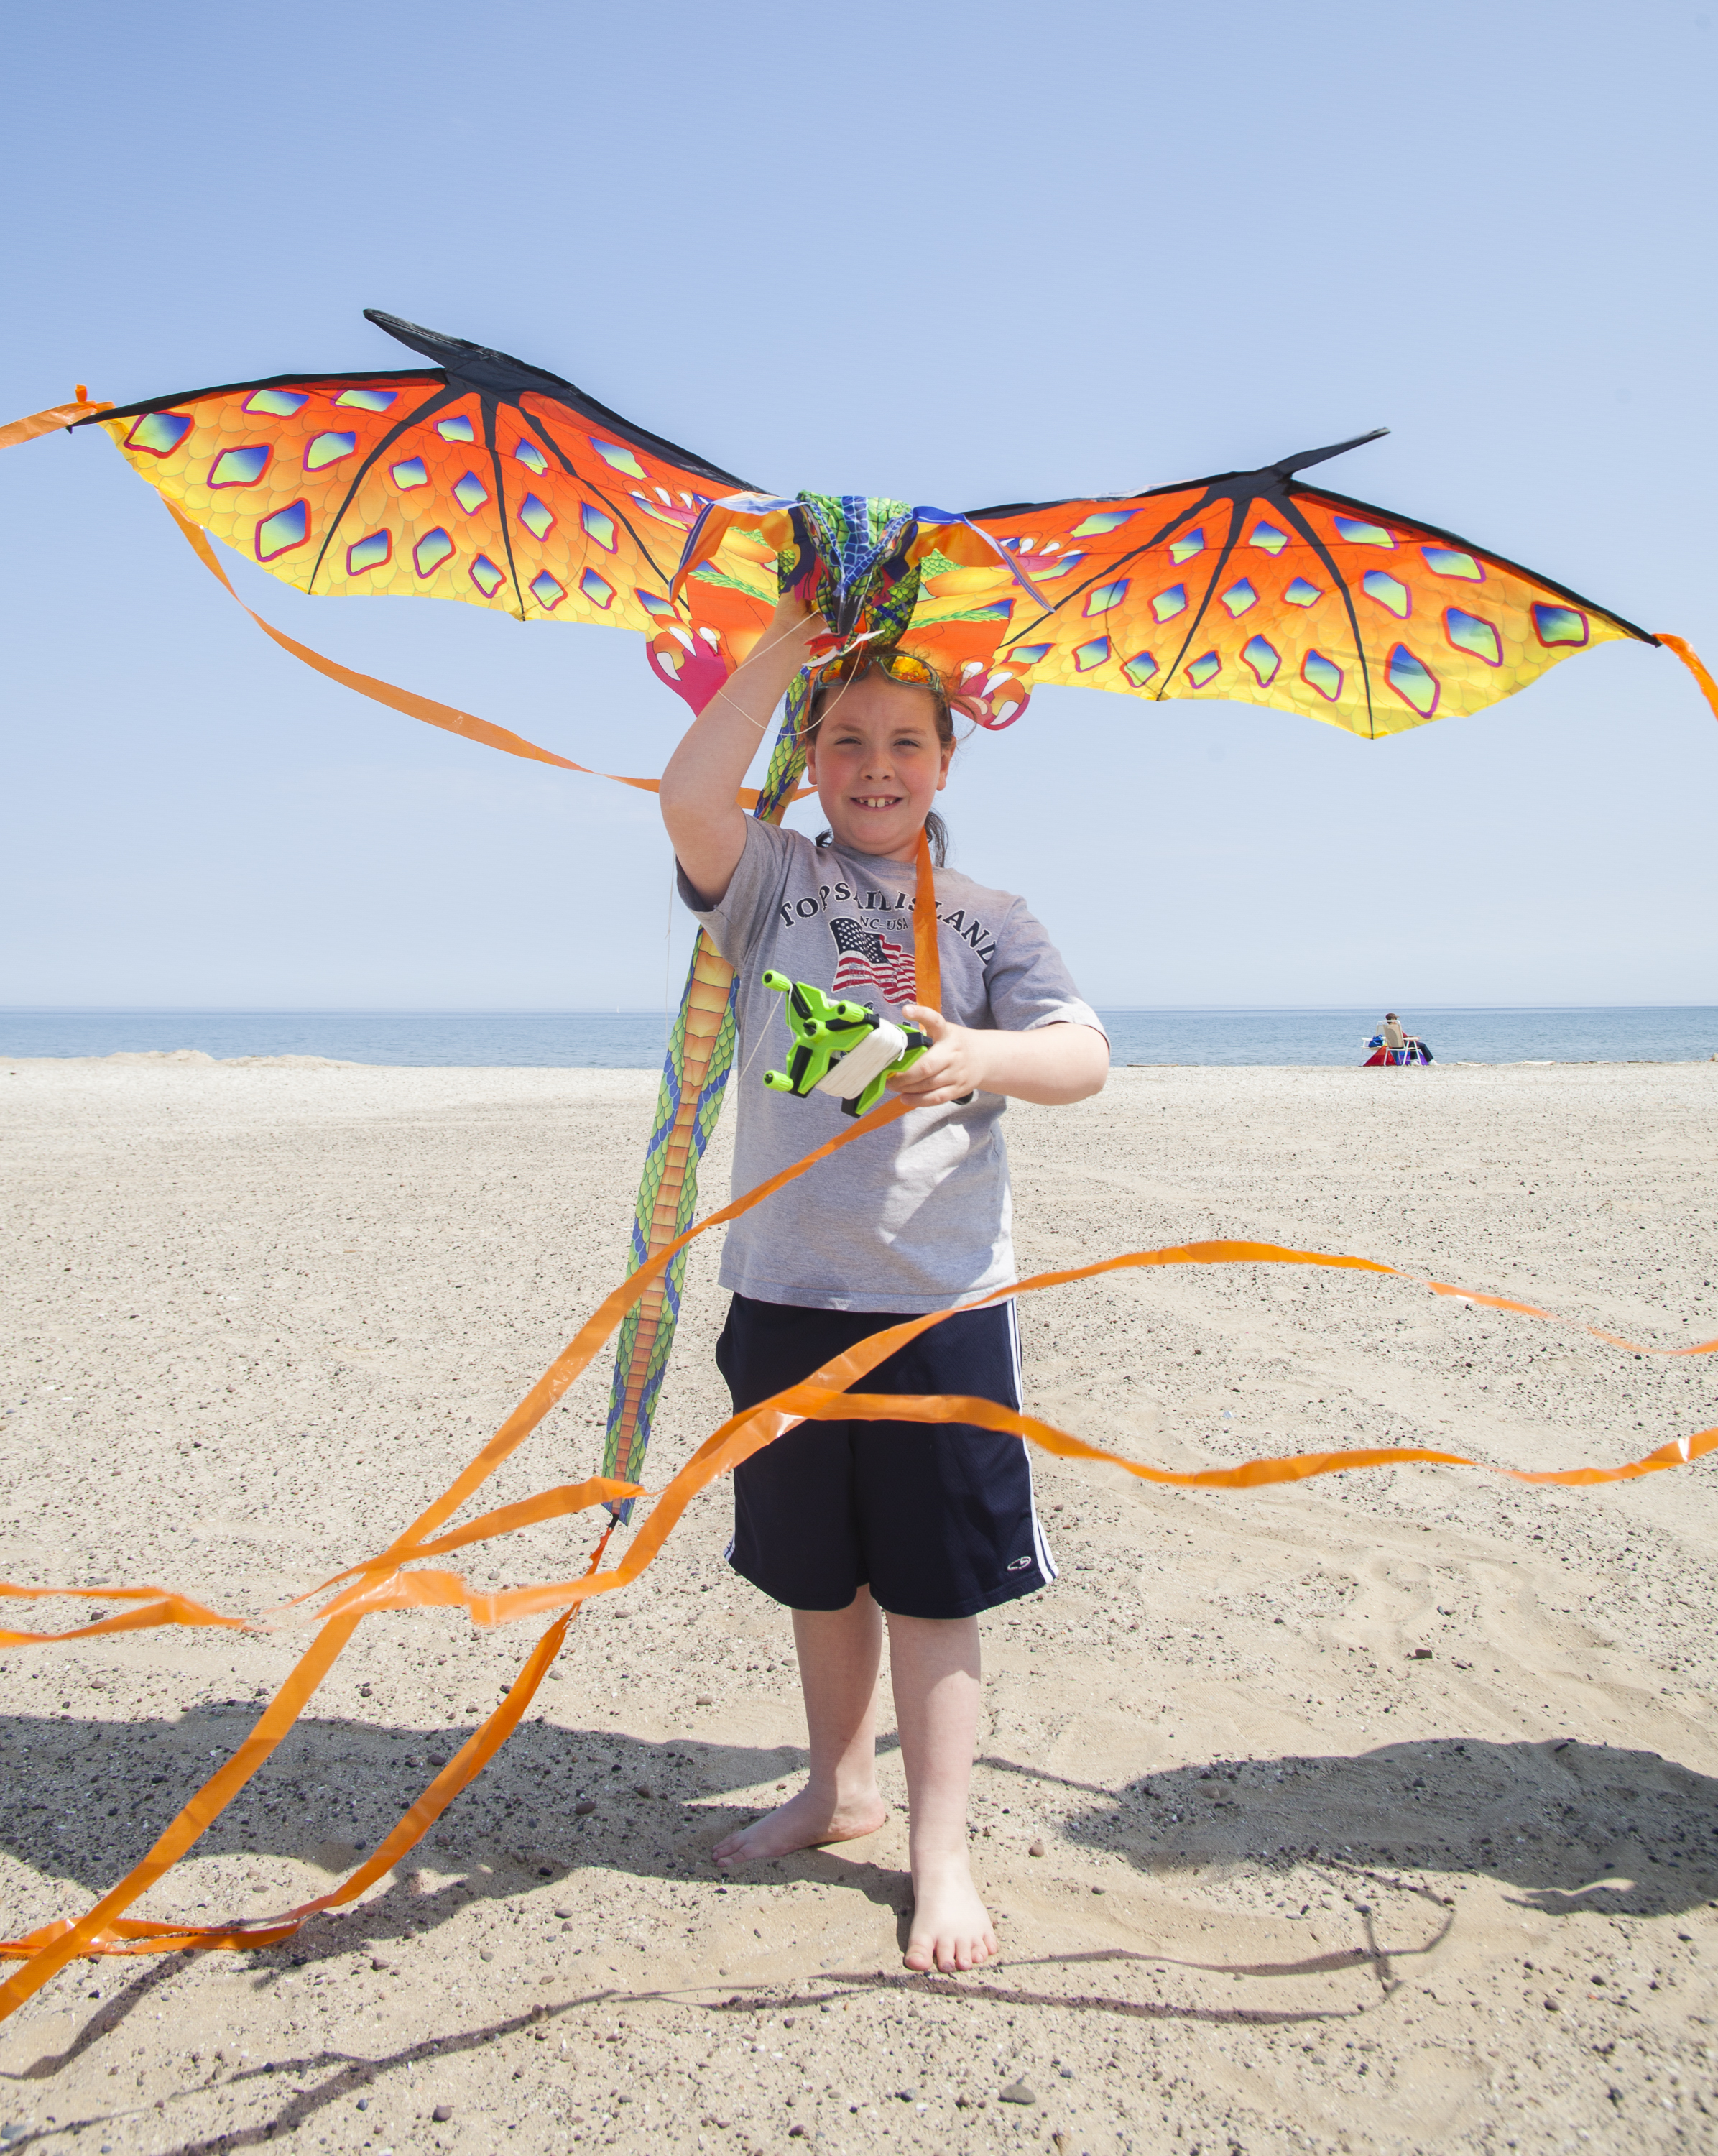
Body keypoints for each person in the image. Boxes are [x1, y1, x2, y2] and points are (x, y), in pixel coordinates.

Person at [659, 588, 1109, 1976]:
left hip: (940, 1306)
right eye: (845, 738)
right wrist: (786, 652)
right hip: (787, 1292)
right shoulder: (773, 880)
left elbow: (1084, 1056)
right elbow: (687, 797)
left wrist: (976, 1058)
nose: (874, 764)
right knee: (817, 1574)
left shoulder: (988, 920)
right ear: (808, 759)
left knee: (934, 1587)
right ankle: (836, 1786)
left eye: (906, 741)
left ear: (946, 764)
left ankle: (942, 1850)